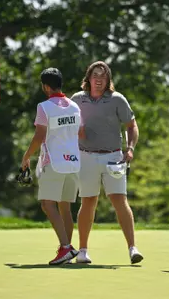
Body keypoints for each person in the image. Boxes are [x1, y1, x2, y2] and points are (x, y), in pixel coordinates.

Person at [71, 61, 143, 264]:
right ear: (89, 78)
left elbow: (132, 125)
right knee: (88, 201)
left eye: (103, 76)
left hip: (114, 157)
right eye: (95, 75)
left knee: (120, 200)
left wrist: (130, 148)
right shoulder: (77, 99)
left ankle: (132, 248)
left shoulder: (117, 99)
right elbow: (67, 122)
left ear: (108, 80)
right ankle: (83, 250)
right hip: (86, 156)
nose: (99, 80)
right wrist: (76, 131)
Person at [21, 68, 81, 265]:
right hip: (73, 163)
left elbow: (39, 136)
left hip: (53, 162)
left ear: (46, 87)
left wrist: (26, 156)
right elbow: (80, 133)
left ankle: (65, 248)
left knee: (47, 204)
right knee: (65, 208)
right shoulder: (74, 107)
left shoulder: (44, 106)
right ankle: (67, 250)